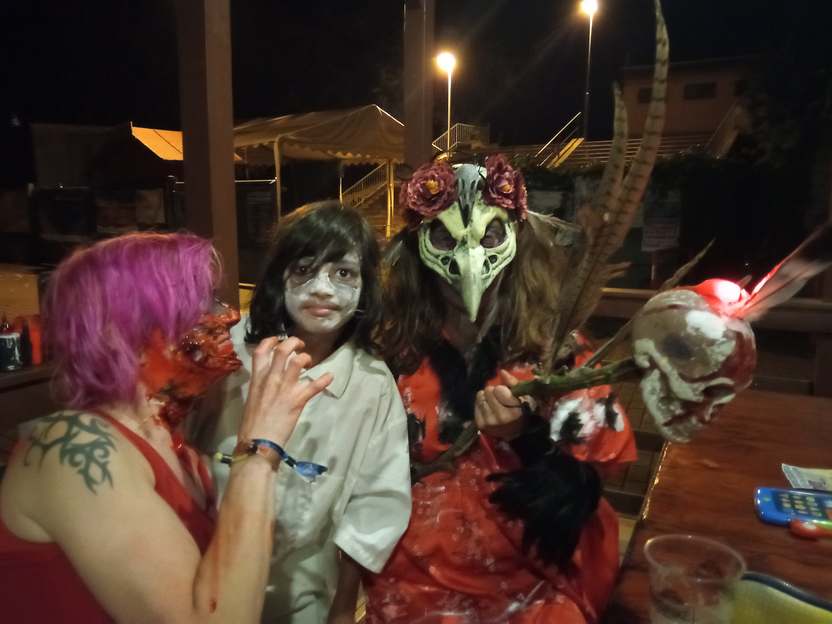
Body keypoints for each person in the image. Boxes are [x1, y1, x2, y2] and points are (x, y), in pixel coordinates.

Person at [0, 232, 332, 623]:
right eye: (200, 302)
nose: (229, 315)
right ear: (125, 334)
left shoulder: (183, 455)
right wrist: (261, 446)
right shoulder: (70, 448)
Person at [364, 156, 637, 623]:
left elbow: (588, 484)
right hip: (413, 583)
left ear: (515, 241)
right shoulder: (395, 355)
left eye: (489, 237)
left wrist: (527, 435)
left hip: (530, 584)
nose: (469, 261)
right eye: (445, 239)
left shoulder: (557, 354)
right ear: (418, 250)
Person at [205, 201, 412, 624]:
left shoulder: (372, 383)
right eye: (303, 270)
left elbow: (374, 505)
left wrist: (342, 609)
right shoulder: (228, 352)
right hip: (204, 575)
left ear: (366, 285)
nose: (322, 289)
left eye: (343, 273)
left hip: (301, 596)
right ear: (278, 275)